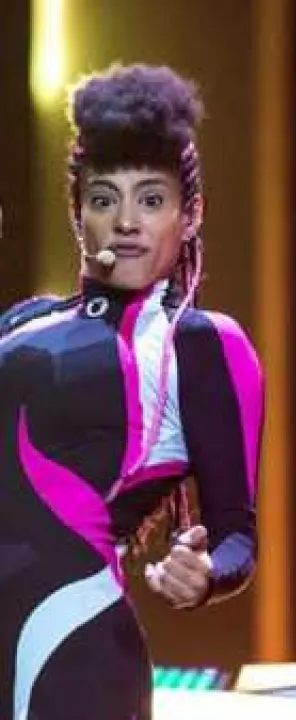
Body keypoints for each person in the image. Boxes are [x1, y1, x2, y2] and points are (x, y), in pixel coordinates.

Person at [0, 64, 263, 719]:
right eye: (103, 199)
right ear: (76, 212)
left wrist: (206, 574)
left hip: (71, 650)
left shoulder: (197, 344)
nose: (125, 221)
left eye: (150, 200)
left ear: (190, 215)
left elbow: (236, 534)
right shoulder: (23, 323)